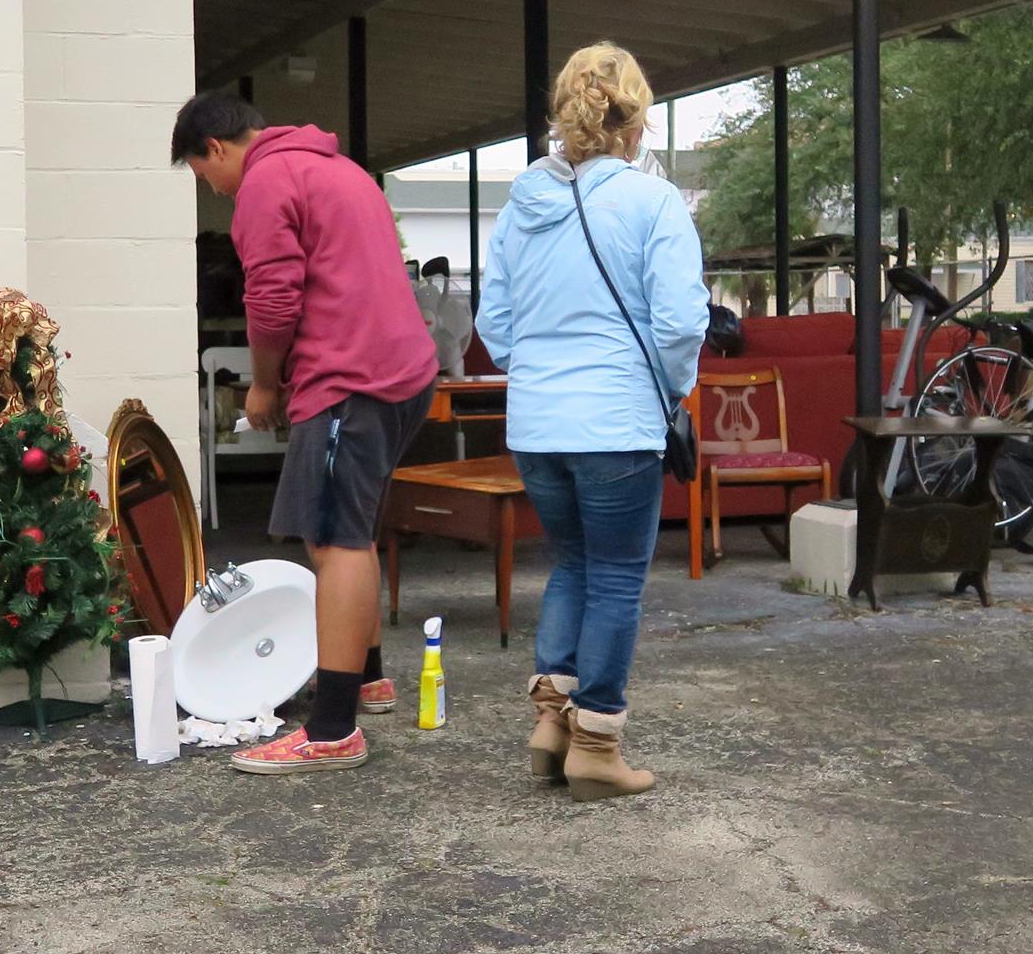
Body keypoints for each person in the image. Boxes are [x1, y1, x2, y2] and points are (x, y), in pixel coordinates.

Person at [170, 92, 438, 775]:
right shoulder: (340, 168)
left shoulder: (265, 182)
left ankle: (332, 729)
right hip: (404, 372)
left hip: (351, 378)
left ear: (215, 147)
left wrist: (263, 383)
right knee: (356, 527)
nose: (215, 189)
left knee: (334, 540)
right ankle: (366, 678)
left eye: (204, 175)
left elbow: (271, 300)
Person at [476, 44, 708, 801]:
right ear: (636, 122)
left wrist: (543, 374)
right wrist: (669, 390)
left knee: (572, 564)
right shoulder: (653, 202)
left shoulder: (521, 204)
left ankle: (551, 722)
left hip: (536, 425)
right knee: (613, 577)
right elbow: (681, 322)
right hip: (616, 421)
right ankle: (597, 745)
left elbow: (494, 323)